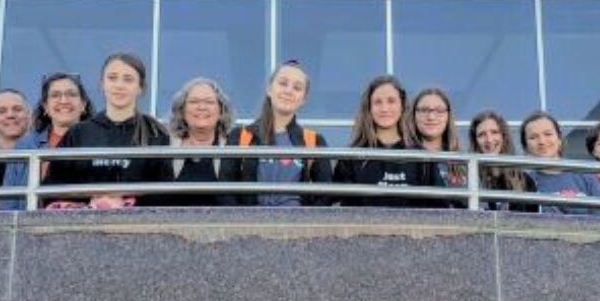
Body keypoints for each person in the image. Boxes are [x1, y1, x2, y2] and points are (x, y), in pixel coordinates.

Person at [44, 52, 173, 208]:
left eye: (128, 79)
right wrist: (90, 203)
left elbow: (167, 194)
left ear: (140, 87)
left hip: (139, 227)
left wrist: (127, 203)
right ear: (102, 84)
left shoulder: (156, 134)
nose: (119, 85)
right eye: (112, 78)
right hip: (83, 227)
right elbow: (52, 190)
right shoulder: (77, 134)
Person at [220, 61, 332, 206]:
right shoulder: (241, 136)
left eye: (297, 88)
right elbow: (225, 189)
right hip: (251, 225)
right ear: (269, 89)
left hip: (296, 225)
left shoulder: (314, 141)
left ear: (303, 99)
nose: (289, 91)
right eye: (283, 83)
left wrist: (305, 224)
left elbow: (326, 195)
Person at [332, 75, 444, 208]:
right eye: (378, 102)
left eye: (391, 101)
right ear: (369, 108)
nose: (384, 109)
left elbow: (442, 205)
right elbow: (333, 205)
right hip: (364, 229)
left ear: (402, 106)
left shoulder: (423, 158)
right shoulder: (352, 158)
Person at [0, 72, 93, 210]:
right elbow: (8, 202)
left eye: (71, 94)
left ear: (83, 105)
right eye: (55, 95)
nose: (63, 100)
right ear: (45, 107)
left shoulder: (99, 141)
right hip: (33, 228)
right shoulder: (26, 146)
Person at [520, 111, 600, 216]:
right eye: (533, 137)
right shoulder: (524, 184)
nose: (542, 141)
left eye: (548, 134)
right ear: (526, 147)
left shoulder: (586, 176)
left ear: (559, 139)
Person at [166, 77, 233, 206]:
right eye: (194, 101)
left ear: (221, 112)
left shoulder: (233, 147)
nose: (201, 107)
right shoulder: (165, 145)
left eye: (209, 102)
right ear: (182, 110)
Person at [469, 110, 537, 212]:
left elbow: (534, 221)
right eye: (482, 134)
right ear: (475, 142)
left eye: (494, 132)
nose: (489, 139)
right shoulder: (469, 179)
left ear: (503, 136)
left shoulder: (524, 181)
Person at [0, 88, 30, 211]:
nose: (10, 115)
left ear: (29, 117)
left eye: (17, 109)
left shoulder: (43, 158)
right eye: (2, 111)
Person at [409, 88, 465, 187]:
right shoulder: (401, 157)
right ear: (414, 116)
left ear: (448, 116)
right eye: (424, 110)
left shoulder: (464, 163)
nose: (431, 117)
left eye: (439, 111)